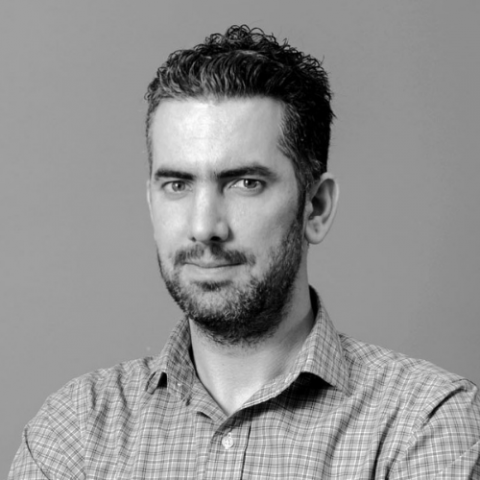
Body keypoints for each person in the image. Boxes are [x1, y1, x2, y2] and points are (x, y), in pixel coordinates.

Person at [9, 25, 480, 479]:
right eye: (177, 184)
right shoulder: (75, 432)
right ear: (151, 202)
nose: (204, 227)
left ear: (315, 207)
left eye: (245, 183)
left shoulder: (424, 424)